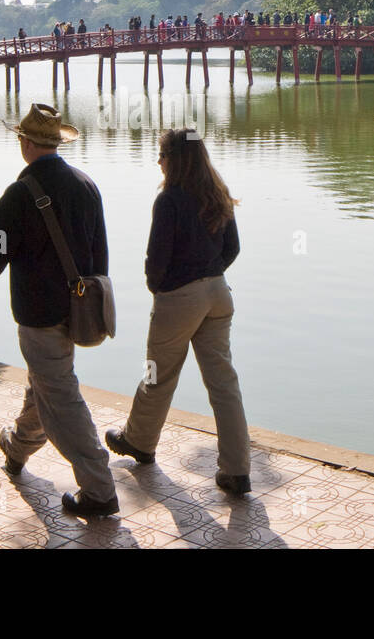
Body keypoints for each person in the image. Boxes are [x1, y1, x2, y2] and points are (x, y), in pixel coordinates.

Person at [0, 103, 118, 517]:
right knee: (46, 384)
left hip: (40, 311)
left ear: (26, 143)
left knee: (61, 396)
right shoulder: (86, 184)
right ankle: (16, 448)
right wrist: (92, 297)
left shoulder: (22, 191)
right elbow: (99, 248)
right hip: (80, 306)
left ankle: (100, 489)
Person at [105, 128, 251, 494]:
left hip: (180, 298)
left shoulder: (169, 200)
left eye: (162, 155)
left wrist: (160, 288)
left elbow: (157, 259)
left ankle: (139, 441)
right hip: (219, 294)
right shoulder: (217, 193)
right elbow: (233, 249)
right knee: (224, 384)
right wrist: (209, 272)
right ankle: (236, 470)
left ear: (176, 159)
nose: (159, 162)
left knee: (158, 374)